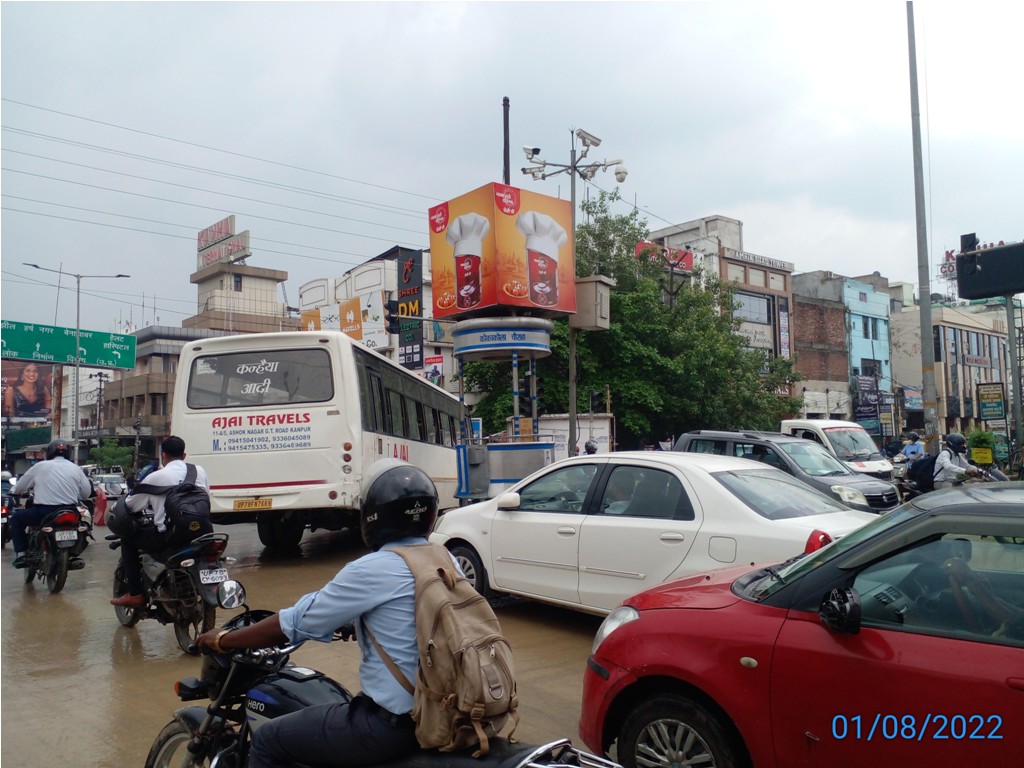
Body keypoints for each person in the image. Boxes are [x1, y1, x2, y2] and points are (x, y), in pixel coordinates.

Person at [196, 459, 441, 768]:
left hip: (391, 727)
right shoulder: (444, 559)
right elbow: (415, 614)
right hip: (445, 710)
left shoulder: (373, 568)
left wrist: (224, 639)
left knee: (270, 740)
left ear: (374, 514)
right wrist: (360, 621)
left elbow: (295, 622)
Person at [110, 435, 209, 608]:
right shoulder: (199, 471)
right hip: (202, 533)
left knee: (128, 541)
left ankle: (136, 594)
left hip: (170, 536)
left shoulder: (155, 477)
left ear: (163, 454)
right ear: (184, 455)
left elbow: (130, 505)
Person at [10, 439, 92, 569]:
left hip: (44, 512)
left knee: (16, 519)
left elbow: (20, 487)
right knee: (81, 525)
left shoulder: (40, 466)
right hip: (70, 511)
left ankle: (21, 554)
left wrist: (15, 492)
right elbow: (86, 494)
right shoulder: (76, 468)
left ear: (49, 452)